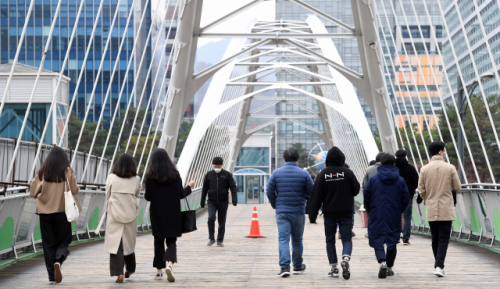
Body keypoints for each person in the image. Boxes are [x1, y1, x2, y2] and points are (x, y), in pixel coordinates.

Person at [30, 146, 81, 284]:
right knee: (64, 241)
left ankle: (51, 276)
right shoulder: (67, 171)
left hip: (45, 212)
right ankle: (58, 261)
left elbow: (33, 192)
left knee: (48, 243)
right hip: (62, 212)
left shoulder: (42, 172)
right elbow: (75, 189)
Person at [309, 147, 360, 280]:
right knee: (346, 238)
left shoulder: (323, 174)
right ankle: (346, 258)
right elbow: (355, 190)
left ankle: (334, 268)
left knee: (330, 240)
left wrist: (312, 216)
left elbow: (316, 196)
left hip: (329, 213)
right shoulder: (348, 172)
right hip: (346, 212)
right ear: (342, 158)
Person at [144, 148, 195, 282]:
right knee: (171, 241)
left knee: (158, 241)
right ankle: (170, 265)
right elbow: (180, 195)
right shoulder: (175, 175)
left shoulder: (150, 177)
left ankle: (159, 271)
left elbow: (148, 197)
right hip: (173, 212)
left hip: (157, 213)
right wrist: (189, 187)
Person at [266, 147, 314, 277]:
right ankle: (297, 266)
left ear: (284, 159)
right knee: (297, 240)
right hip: (298, 211)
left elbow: (269, 190)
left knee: (283, 239)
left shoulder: (276, 173)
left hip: (282, 211)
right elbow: (312, 192)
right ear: (298, 159)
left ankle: (284, 267)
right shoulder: (304, 174)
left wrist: (275, 204)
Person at [418, 141, 461, 277]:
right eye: (444, 150)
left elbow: (421, 190)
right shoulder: (450, 168)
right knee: (443, 238)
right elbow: (457, 187)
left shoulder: (424, 169)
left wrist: (428, 199)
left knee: (435, 238)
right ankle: (439, 266)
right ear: (441, 152)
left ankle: (438, 264)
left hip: (431, 207)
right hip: (446, 207)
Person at [364, 154, 409, 278]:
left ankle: (382, 262)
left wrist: (370, 209)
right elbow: (406, 198)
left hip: (376, 212)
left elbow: (366, 196)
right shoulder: (400, 180)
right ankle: (389, 267)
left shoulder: (373, 179)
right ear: (394, 164)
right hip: (394, 213)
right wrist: (399, 209)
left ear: (381, 164)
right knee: (392, 239)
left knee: (377, 238)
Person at [104, 154, 141, 283]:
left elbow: (107, 194)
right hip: (130, 215)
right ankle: (129, 269)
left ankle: (118, 273)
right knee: (128, 243)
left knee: (116, 244)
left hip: (115, 214)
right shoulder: (136, 179)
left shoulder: (111, 178)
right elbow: (137, 194)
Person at [200, 157, 237, 247]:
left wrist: (234, 199)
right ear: (213, 165)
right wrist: (202, 200)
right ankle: (211, 238)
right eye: (215, 165)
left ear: (222, 165)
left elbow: (233, 187)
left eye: (218, 166)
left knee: (222, 221)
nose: (216, 167)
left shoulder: (227, 175)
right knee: (211, 218)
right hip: (211, 201)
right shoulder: (208, 175)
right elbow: (204, 188)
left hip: (223, 202)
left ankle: (219, 240)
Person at [395, 149, 419, 245]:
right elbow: (416, 182)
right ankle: (405, 238)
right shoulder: (411, 168)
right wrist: (411, 190)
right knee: (407, 216)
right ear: (405, 156)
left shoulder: (393, 168)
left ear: (395, 157)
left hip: (394, 195)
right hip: (407, 195)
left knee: (395, 216)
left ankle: (396, 237)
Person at [362, 152, 385, 238]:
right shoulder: (392, 169)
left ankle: (371, 233)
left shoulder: (369, 170)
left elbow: (365, 186)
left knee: (371, 217)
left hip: (372, 198)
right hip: (386, 198)